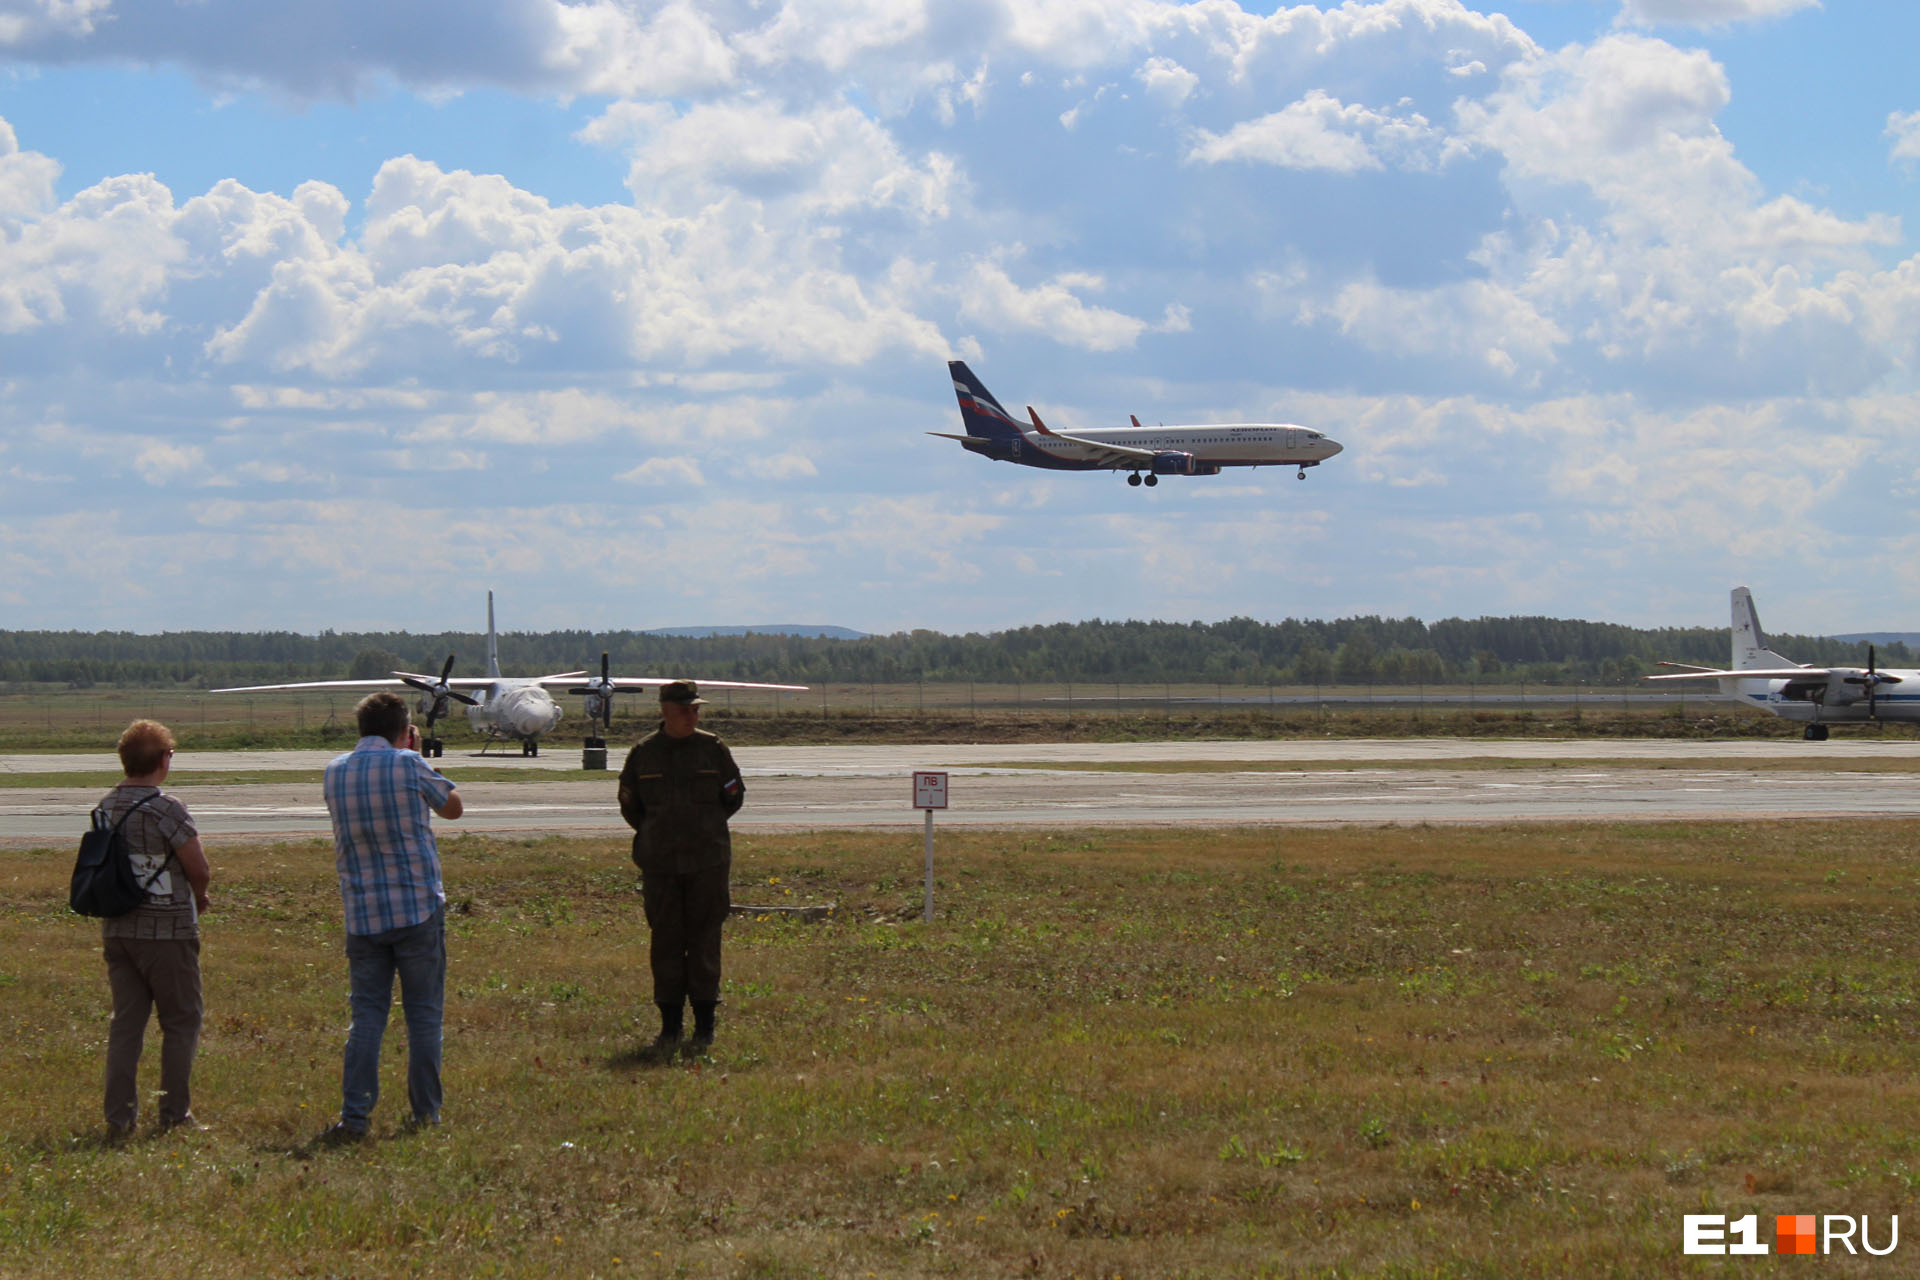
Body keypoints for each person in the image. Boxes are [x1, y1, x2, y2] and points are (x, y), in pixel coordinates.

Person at [319, 691, 462, 1140]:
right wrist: (414, 758)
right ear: (405, 731)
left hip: (363, 911)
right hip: (416, 906)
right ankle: (426, 1113)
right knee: (423, 1015)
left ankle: (355, 1116)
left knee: (367, 1017)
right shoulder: (408, 764)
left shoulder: (334, 771)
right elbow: (453, 808)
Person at [618, 680, 745, 1059]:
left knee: (705, 940)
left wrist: (701, 829)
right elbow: (631, 807)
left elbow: (733, 796)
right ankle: (670, 1025)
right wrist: (662, 835)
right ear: (665, 711)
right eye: (685, 709)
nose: (693, 715)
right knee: (667, 942)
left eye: (696, 710)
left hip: (707, 862)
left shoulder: (712, 749)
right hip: (661, 865)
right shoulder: (644, 754)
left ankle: (705, 1025)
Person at [98, 719, 212, 1142]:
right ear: (163, 761)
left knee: (127, 1024)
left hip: (119, 927)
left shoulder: (106, 806)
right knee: (182, 1020)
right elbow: (198, 867)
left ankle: (119, 1117)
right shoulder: (167, 809)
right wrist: (199, 896)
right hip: (167, 930)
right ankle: (174, 1112)